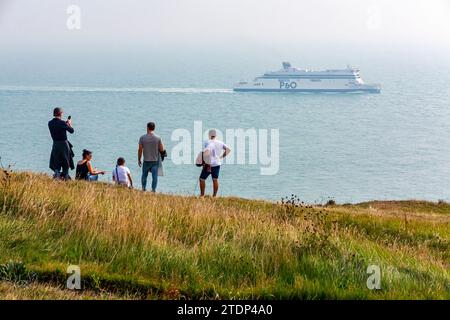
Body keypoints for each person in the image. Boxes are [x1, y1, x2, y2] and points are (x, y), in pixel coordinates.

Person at [199, 129, 231, 197]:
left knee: (202, 179)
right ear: (216, 135)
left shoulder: (207, 142)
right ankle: (214, 196)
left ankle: (202, 195)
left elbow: (207, 152)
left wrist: (204, 162)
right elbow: (228, 150)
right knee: (215, 179)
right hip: (217, 164)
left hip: (209, 164)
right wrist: (221, 157)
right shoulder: (220, 143)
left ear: (209, 135)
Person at [138, 122, 165, 192]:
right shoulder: (158, 138)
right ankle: (153, 190)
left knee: (144, 175)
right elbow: (162, 149)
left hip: (146, 160)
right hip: (155, 161)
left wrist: (139, 159)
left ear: (147, 128)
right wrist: (163, 156)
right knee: (154, 176)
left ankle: (143, 188)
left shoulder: (142, 138)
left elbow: (140, 150)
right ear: (154, 128)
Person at [48, 107, 75, 180]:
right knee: (65, 161)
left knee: (56, 160)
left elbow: (58, 126)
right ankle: (65, 177)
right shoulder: (62, 123)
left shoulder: (50, 123)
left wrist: (65, 124)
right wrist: (69, 124)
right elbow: (72, 131)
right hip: (63, 144)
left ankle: (57, 175)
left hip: (55, 144)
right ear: (60, 114)